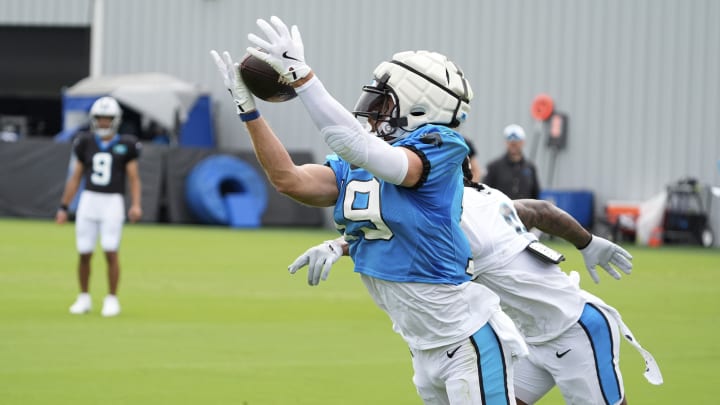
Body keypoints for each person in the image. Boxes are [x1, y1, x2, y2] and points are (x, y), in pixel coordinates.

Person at [211, 16, 527, 404]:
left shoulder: (441, 144)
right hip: (423, 345)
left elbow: (386, 162)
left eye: (385, 100)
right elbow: (289, 180)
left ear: (420, 105)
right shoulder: (362, 158)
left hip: (465, 338)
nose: (373, 109)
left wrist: (305, 80)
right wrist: (249, 112)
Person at [291, 160, 663, 405]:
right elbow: (541, 211)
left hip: (574, 331)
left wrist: (340, 245)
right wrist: (588, 242)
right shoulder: (488, 197)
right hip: (530, 341)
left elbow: (404, 240)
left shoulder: (461, 213)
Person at [56, 96, 142, 317]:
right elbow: (75, 177)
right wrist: (64, 207)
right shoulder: (84, 141)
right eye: (100, 119)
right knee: (84, 252)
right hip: (89, 200)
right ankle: (83, 297)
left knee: (110, 250)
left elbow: (134, 178)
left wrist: (136, 205)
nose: (103, 123)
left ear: (115, 120)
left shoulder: (127, 144)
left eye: (107, 119)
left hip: (112, 201)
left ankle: (112, 299)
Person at [482, 124, 540, 200]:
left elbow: (535, 193)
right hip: (500, 210)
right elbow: (486, 192)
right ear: (506, 142)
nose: (513, 145)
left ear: (523, 142)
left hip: (525, 211)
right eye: (511, 143)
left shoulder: (530, 167)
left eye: (516, 143)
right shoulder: (494, 167)